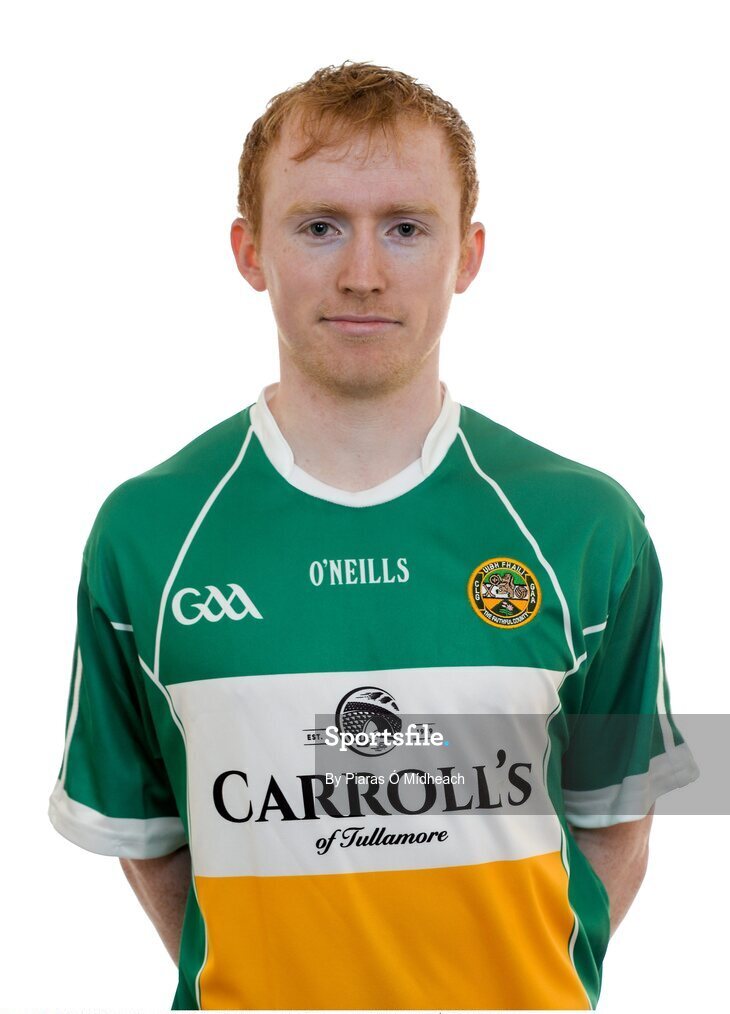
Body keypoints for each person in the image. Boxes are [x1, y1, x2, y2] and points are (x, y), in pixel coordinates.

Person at [48, 60, 699, 1011]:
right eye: (319, 227)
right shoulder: (148, 533)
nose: (361, 274)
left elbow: (615, 820)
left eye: (405, 227)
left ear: (468, 254)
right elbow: (150, 841)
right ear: (249, 251)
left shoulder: (587, 524)